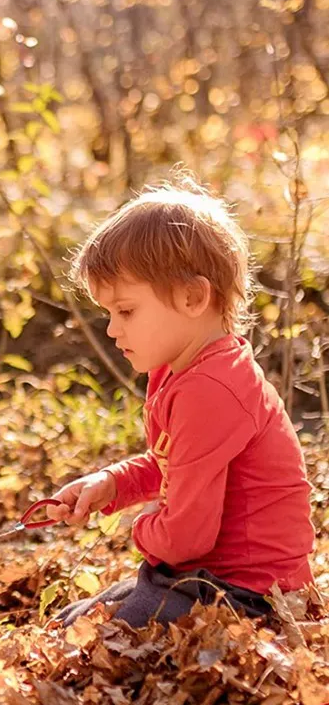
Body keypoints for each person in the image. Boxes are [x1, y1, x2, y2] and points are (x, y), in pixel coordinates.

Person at [48, 170, 315, 628]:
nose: (113, 329)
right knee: (80, 618)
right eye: (109, 313)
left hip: (251, 596)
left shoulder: (211, 390)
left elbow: (187, 536)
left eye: (126, 310)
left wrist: (141, 528)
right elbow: (176, 463)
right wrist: (112, 484)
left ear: (193, 296)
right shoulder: (184, 371)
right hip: (208, 579)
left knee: (95, 635)